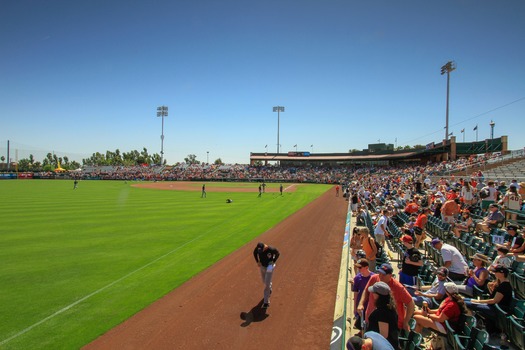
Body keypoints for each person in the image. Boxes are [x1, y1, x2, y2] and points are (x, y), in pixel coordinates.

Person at [358, 263, 415, 332]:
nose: (381, 276)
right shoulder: (374, 278)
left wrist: (406, 321)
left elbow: (410, 303)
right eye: (380, 273)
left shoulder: (398, 287)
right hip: (371, 319)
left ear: (390, 275)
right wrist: (361, 303)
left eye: (384, 274)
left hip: (390, 325)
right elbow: (366, 290)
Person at [366, 281, 400, 349]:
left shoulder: (383, 313)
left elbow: (383, 336)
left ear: (378, 295)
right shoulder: (388, 307)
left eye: (374, 292)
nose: (372, 293)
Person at [349, 258, 375, 332]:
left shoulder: (374, 277)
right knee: (361, 323)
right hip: (361, 304)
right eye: (357, 267)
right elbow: (355, 293)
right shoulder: (357, 278)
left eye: (360, 267)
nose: (358, 269)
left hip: (371, 304)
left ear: (366, 267)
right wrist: (355, 308)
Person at [253, 242, 280, 309]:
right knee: (264, 281)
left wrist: (273, 261)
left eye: (261, 250)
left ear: (264, 247)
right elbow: (254, 253)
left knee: (267, 284)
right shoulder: (258, 248)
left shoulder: (271, 249)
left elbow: (278, 253)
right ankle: (269, 286)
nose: (260, 252)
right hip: (262, 266)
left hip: (270, 266)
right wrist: (257, 261)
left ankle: (266, 302)